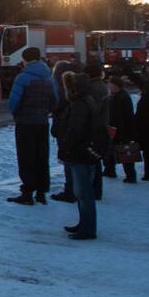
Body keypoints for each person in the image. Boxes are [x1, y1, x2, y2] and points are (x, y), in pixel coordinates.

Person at [7, 47, 57, 205]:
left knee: (26, 157)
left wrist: (15, 112)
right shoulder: (49, 77)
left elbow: (13, 102)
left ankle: (27, 192)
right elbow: (55, 99)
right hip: (42, 122)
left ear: (25, 59)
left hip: (25, 123)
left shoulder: (23, 77)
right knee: (42, 156)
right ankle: (42, 192)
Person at [60, 71, 100, 241]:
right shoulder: (87, 101)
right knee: (84, 192)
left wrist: (65, 148)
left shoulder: (79, 105)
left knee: (83, 193)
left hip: (79, 153)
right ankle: (84, 223)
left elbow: (76, 130)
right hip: (84, 152)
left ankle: (87, 228)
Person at [50, 60, 82, 202]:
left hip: (65, 130)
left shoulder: (61, 91)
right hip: (75, 130)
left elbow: (55, 106)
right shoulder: (82, 90)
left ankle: (71, 190)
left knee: (68, 159)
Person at [81, 64, 110, 200]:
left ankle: (93, 190)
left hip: (94, 127)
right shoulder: (102, 86)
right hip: (101, 126)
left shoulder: (91, 88)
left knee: (91, 160)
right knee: (95, 159)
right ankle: (96, 190)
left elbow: (91, 109)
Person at [108, 76, 140, 183]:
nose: (109, 86)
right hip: (121, 129)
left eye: (110, 84)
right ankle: (128, 174)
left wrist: (118, 131)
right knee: (125, 153)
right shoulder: (119, 96)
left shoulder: (120, 97)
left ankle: (130, 175)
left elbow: (120, 116)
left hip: (121, 130)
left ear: (115, 86)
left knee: (126, 152)